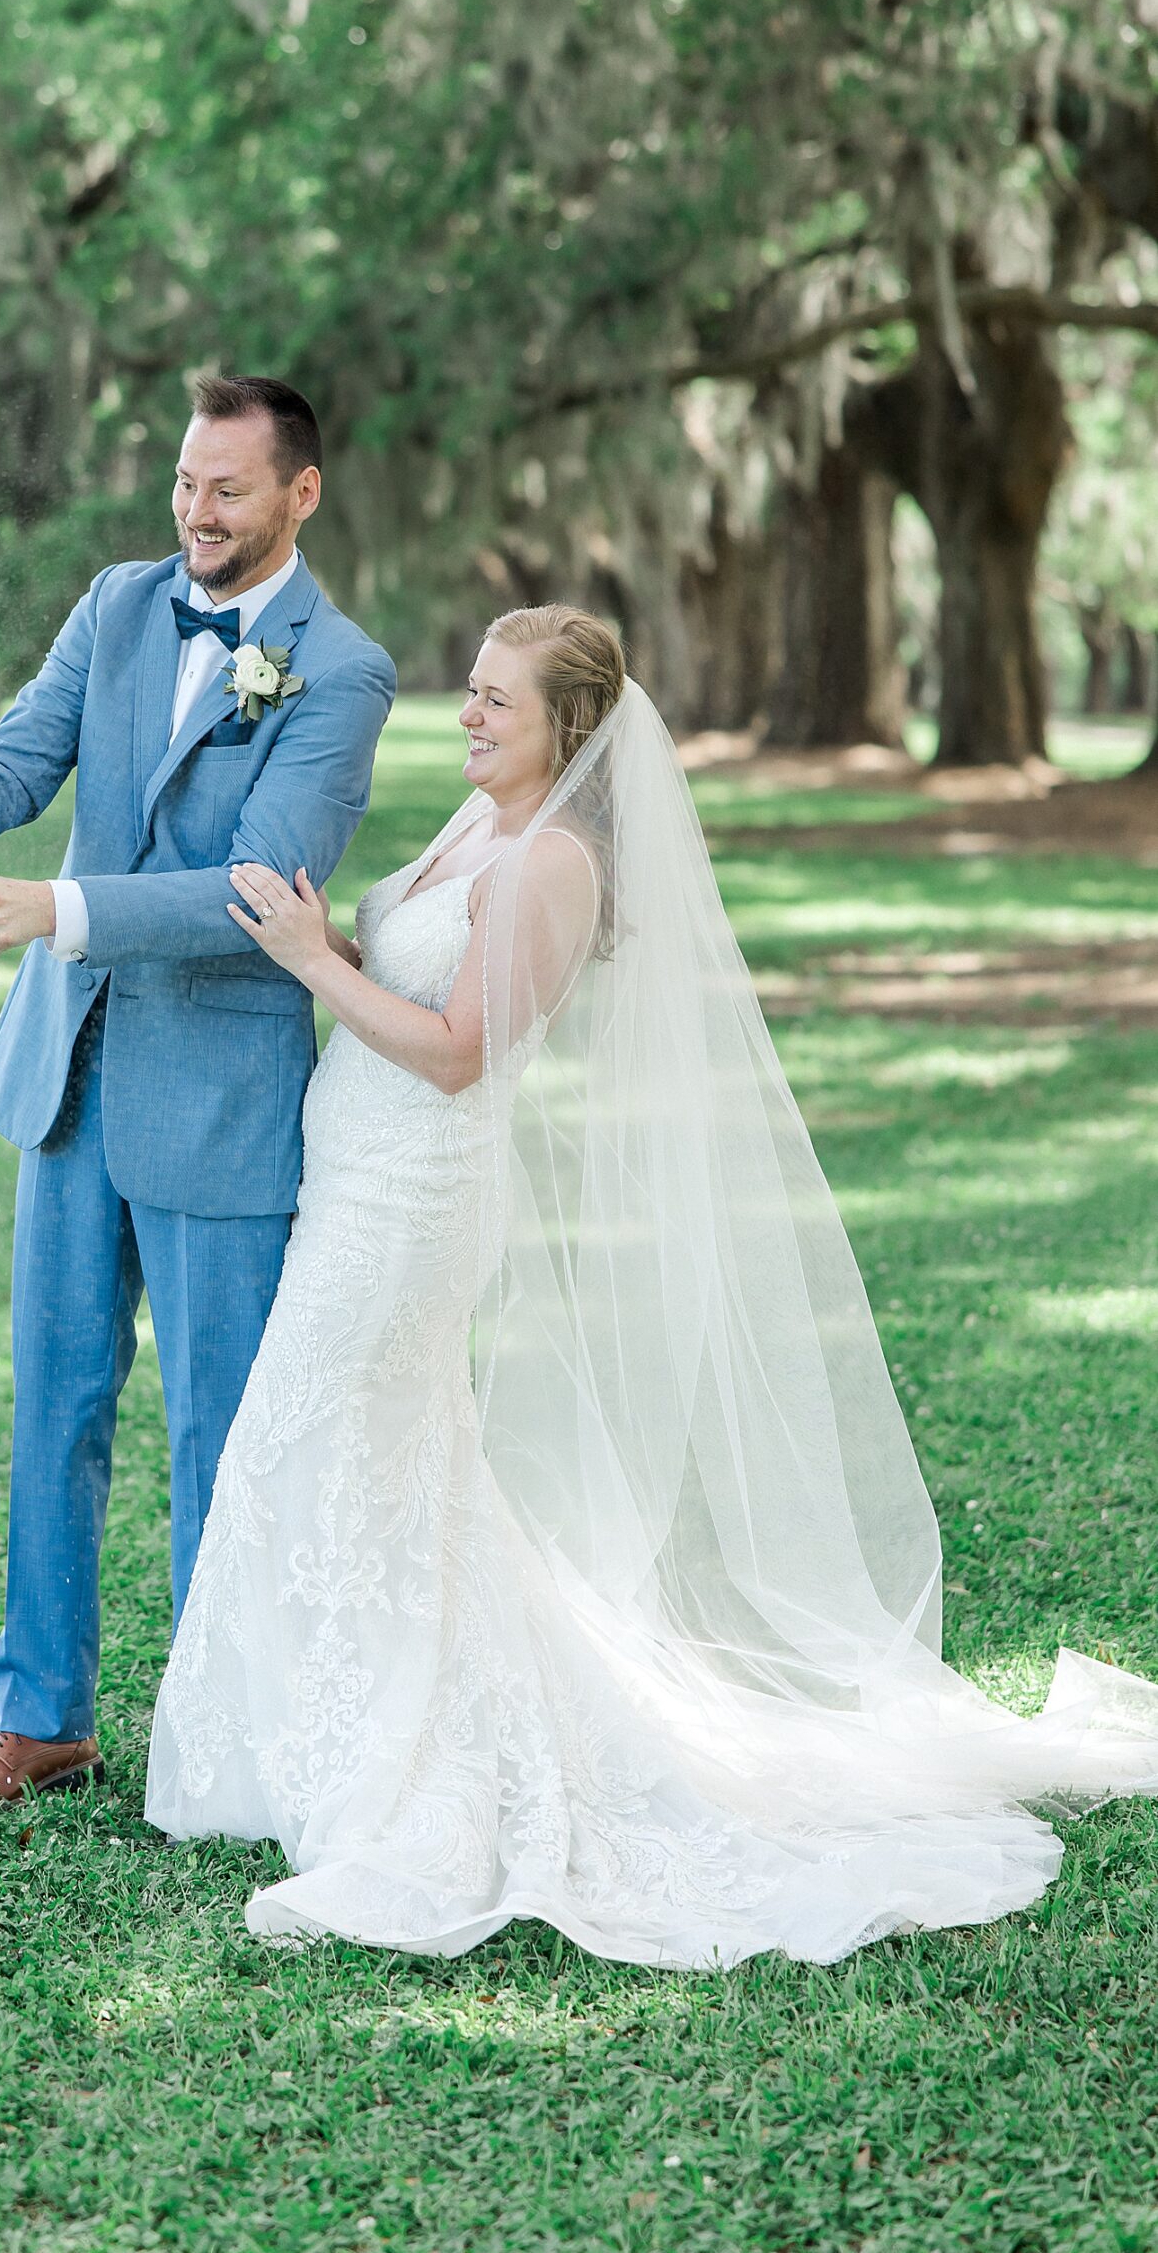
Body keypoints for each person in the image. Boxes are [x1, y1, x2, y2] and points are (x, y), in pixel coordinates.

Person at [146, 605, 1158, 1965]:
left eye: (498, 703)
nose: (470, 716)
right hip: (353, 1186)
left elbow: (460, 1055)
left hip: (415, 1204)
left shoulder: (554, 862)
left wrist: (316, 961)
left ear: (567, 729)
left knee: (333, 1444)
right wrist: (332, 937)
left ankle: (397, 1757)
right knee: (359, 1463)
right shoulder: (474, 828)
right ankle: (322, 1736)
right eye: (474, 692)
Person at [0, 375, 394, 1818]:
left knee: (217, 1431)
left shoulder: (342, 673)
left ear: (300, 496)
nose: (195, 515)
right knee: (56, 1407)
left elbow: (260, 894)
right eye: (186, 485)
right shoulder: (121, 603)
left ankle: (220, 1737)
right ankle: (42, 1725)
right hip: (70, 1079)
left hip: (221, 1094)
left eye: (228, 491)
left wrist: (53, 911)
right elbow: (21, 761)